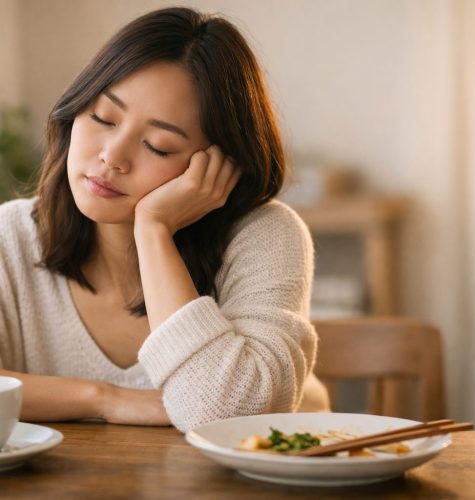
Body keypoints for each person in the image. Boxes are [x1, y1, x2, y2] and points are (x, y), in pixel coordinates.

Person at [0, 7, 329, 433]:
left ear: (220, 165)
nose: (112, 157)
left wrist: (154, 230)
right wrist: (105, 399)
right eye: (102, 117)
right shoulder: (11, 236)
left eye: (158, 146)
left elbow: (229, 418)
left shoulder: (264, 236)